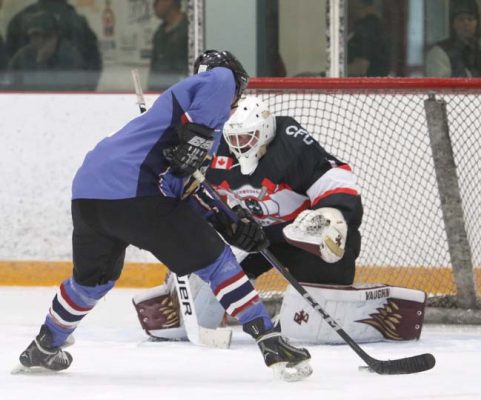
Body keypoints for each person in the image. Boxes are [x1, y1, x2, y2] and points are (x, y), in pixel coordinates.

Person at [16, 50, 312, 382]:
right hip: (135, 189)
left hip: (89, 194)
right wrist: (199, 136)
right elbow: (219, 80)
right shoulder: (218, 83)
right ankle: (270, 341)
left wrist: (227, 221)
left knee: (92, 282)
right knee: (216, 261)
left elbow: (182, 187)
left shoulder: (165, 119)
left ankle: (45, 343)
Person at [133, 96, 428, 345]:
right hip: (245, 237)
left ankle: (349, 310)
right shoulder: (214, 147)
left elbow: (338, 183)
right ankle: (201, 301)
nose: (239, 145)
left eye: (246, 138)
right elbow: (185, 197)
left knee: (305, 322)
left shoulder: (291, 145)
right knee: (198, 313)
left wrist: (327, 217)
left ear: (263, 132)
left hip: (294, 237)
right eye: (233, 139)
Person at [6, 0, 102, 90]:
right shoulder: (78, 23)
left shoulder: (17, 22)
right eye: (35, 36)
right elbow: (93, 69)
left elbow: (6, 73)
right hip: (70, 99)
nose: (39, 41)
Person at [425, 0, 481, 77]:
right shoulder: (439, 53)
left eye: (470, 19)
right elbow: (439, 86)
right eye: (461, 19)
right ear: (453, 23)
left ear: (476, 23)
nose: (466, 23)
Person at [148, 0, 188, 91]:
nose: (154, 5)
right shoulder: (159, 33)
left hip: (181, 92)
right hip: (158, 93)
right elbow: (154, 67)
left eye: (158, 1)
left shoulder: (189, 30)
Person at [346, 0, 390, 77]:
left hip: (366, 85)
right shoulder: (366, 27)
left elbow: (360, 68)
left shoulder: (368, 29)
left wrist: (334, 71)